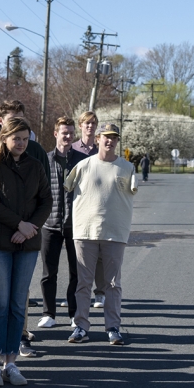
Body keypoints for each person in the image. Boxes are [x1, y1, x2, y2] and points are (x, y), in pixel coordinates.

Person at [0, 101, 50, 358]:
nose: (22, 143)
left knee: (17, 303)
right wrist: (18, 224)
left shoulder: (36, 162)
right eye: (17, 138)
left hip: (27, 240)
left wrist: (30, 228)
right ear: (3, 135)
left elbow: (46, 200)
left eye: (25, 138)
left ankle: (11, 358)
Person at [66, 123, 137, 346]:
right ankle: (80, 326)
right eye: (106, 137)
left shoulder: (127, 168)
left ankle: (113, 328)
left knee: (113, 283)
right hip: (85, 231)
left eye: (114, 137)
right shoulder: (83, 165)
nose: (110, 141)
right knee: (83, 283)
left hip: (115, 232)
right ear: (97, 139)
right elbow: (67, 188)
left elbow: (133, 190)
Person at [38, 117, 88, 328]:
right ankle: (48, 313)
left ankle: (73, 314)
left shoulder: (82, 160)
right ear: (55, 133)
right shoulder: (44, 160)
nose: (67, 136)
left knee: (76, 273)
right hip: (49, 224)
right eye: (63, 132)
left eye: (70, 133)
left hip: (75, 225)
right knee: (49, 273)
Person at [71, 110, 106, 308]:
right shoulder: (73, 149)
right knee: (79, 255)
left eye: (93, 123)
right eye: (86, 123)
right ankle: (76, 293)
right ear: (80, 125)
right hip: (79, 207)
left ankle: (100, 292)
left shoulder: (101, 148)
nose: (90, 126)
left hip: (100, 206)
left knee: (100, 254)